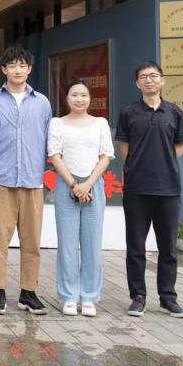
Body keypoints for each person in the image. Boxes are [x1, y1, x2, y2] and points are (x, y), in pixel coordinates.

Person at [0, 45, 53, 316]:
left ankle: (28, 292)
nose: (18, 70)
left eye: (22, 65)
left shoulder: (42, 103)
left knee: (32, 241)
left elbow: (46, 138)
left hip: (32, 180)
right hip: (1, 180)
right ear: (4, 69)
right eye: (12, 65)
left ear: (29, 69)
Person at [116, 61, 183, 319]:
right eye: (143, 77)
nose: (149, 80)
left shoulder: (175, 112)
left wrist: (162, 166)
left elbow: (178, 148)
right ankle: (138, 297)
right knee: (136, 246)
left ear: (162, 80)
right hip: (136, 188)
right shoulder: (128, 112)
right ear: (137, 83)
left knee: (168, 247)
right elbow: (124, 149)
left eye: (153, 75)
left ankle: (168, 298)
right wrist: (139, 167)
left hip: (168, 188)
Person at [47, 80, 114, 318]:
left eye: (84, 95)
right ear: (67, 98)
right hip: (67, 185)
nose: (79, 99)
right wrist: (75, 185)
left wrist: (87, 184)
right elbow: (55, 156)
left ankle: (89, 296)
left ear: (90, 98)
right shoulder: (57, 123)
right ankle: (69, 295)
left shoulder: (100, 123)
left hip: (93, 185)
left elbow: (106, 156)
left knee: (92, 244)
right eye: (74, 94)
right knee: (67, 244)